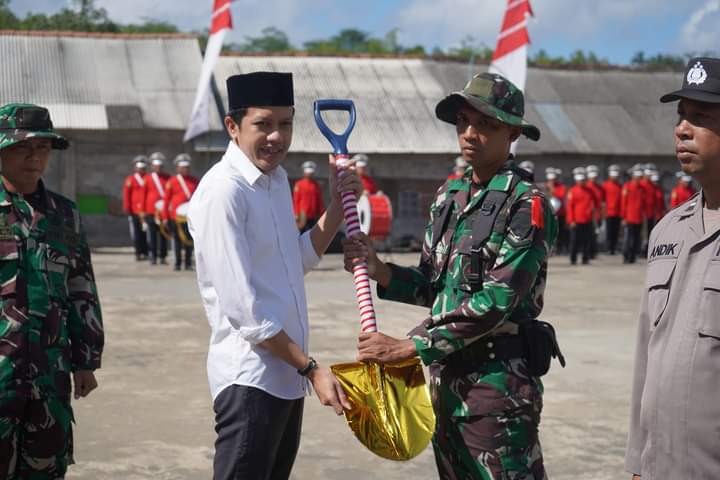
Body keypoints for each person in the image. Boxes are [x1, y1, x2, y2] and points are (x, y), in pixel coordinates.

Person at [344, 72, 558, 479]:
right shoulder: (450, 197)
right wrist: (381, 269)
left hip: (497, 390)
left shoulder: (526, 204)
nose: (470, 133)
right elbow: (434, 285)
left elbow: (496, 301)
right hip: (446, 385)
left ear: (513, 133)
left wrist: (409, 347)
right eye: (463, 122)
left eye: (486, 125)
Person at [187, 72, 358, 480]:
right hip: (250, 381)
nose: (276, 137)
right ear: (233, 126)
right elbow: (247, 313)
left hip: (286, 378)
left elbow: (294, 261)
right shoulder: (223, 192)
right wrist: (312, 368)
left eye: (285, 124)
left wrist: (336, 206)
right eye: (263, 124)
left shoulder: (275, 181)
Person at [626, 56, 720, 480]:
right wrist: (636, 462)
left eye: (701, 117)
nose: (682, 129)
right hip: (661, 465)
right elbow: (647, 356)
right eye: (681, 116)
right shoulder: (667, 230)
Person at [0, 103, 104, 478]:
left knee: (45, 467)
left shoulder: (65, 213)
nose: (34, 157)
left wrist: (86, 359)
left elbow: (81, 286)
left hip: (49, 370)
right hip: (1, 372)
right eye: (22, 147)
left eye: (43, 148)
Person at [163, 154, 198, 271]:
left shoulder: (194, 181)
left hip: (190, 216)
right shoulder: (172, 182)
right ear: (177, 168)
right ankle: (177, 263)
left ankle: (188, 263)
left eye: (187, 167)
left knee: (189, 240)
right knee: (177, 240)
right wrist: (165, 217)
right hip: (175, 217)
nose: (185, 169)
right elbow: (166, 201)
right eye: (182, 167)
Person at [144, 151, 170, 265]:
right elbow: (143, 195)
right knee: (152, 235)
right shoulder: (148, 179)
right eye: (155, 165)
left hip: (163, 211)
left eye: (160, 165)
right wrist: (142, 212)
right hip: (151, 211)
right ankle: (153, 256)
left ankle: (163, 256)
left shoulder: (168, 178)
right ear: (152, 166)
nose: (158, 167)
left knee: (164, 234)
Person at [122, 155, 149, 260]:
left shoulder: (148, 178)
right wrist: (126, 207)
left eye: (143, 168)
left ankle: (146, 252)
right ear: (135, 168)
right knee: (136, 232)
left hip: (146, 210)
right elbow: (126, 194)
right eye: (139, 167)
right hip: (134, 210)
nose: (141, 169)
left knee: (146, 233)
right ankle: (138, 253)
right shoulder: (131, 179)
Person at [566, 167, 595, 265]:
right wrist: (571, 220)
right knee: (574, 241)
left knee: (587, 241)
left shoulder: (589, 191)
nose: (581, 182)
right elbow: (569, 207)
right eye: (579, 180)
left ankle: (585, 258)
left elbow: (594, 204)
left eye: (583, 180)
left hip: (587, 220)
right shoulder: (572, 191)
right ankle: (573, 258)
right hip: (576, 221)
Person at [621, 167, 646, 264]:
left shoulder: (642, 188)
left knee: (636, 238)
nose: (640, 178)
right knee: (628, 239)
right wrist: (623, 217)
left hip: (638, 218)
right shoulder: (627, 187)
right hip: (629, 217)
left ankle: (632, 257)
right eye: (638, 176)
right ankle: (626, 256)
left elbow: (643, 203)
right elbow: (624, 203)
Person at [292, 160, 325, 233]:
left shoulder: (316, 185)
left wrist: (321, 212)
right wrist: (296, 214)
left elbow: (319, 200)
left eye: (311, 172)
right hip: (302, 214)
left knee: (312, 233)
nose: (309, 174)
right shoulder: (299, 184)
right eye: (307, 172)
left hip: (313, 214)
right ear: (304, 172)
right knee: (301, 232)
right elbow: (296, 200)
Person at [546, 167, 568, 254]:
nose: (552, 181)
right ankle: (550, 248)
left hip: (560, 213)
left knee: (560, 232)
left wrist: (552, 188)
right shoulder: (545, 186)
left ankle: (559, 248)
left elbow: (560, 196)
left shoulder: (561, 187)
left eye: (553, 179)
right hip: (549, 213)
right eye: (550, 179)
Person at [602, 165, 624, 255]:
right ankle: (609, 248)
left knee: (616, 232)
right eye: (613, 175)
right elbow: (603, 200)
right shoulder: (605, 185)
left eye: (616, 175)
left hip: (617, 213)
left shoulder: (620, 186)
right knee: (609, 232)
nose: (615, 177)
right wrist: (603, 212)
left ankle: (614, 248)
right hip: (609, 212)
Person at [585, 165, 604, 258]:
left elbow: (602, 203)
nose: (594, 178)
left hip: (597, 215)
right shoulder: (587, 187)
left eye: (595, 176)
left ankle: (594, 252)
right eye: (592, 177)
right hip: (588, 215)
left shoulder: (600, 188)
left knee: (595, 235)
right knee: (589, 235)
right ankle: (589, 252)